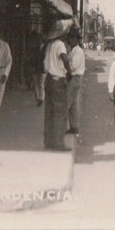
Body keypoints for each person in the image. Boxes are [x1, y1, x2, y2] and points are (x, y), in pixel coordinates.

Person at [43, 19, 72, 151]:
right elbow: (65, 59)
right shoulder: (60, 44)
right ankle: (58, 142)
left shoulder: (49, 45)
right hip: (58, 81)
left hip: (48, 79)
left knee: (49, 112)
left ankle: (48, 140)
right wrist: (69, 72)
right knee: (59, 112)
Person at [66, 29, 87, 139]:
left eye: (69, 38)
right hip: (74, 78)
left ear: (74, 39)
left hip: (75, 77)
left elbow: (73, 66)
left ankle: (63, 127)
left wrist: (65, 67)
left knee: (67, 102)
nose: (68, 41)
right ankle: (74, 126)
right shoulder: (73, 50)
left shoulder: (78, 51)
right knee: (73, 104)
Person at [29, 30, 46, 106]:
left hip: (43, 68)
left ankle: (41, 98)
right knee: (36, 84)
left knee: (41, 84)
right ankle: (38, 98)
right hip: (36, 68)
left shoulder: (45, 48)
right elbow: (32, 58)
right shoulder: (34, 48)